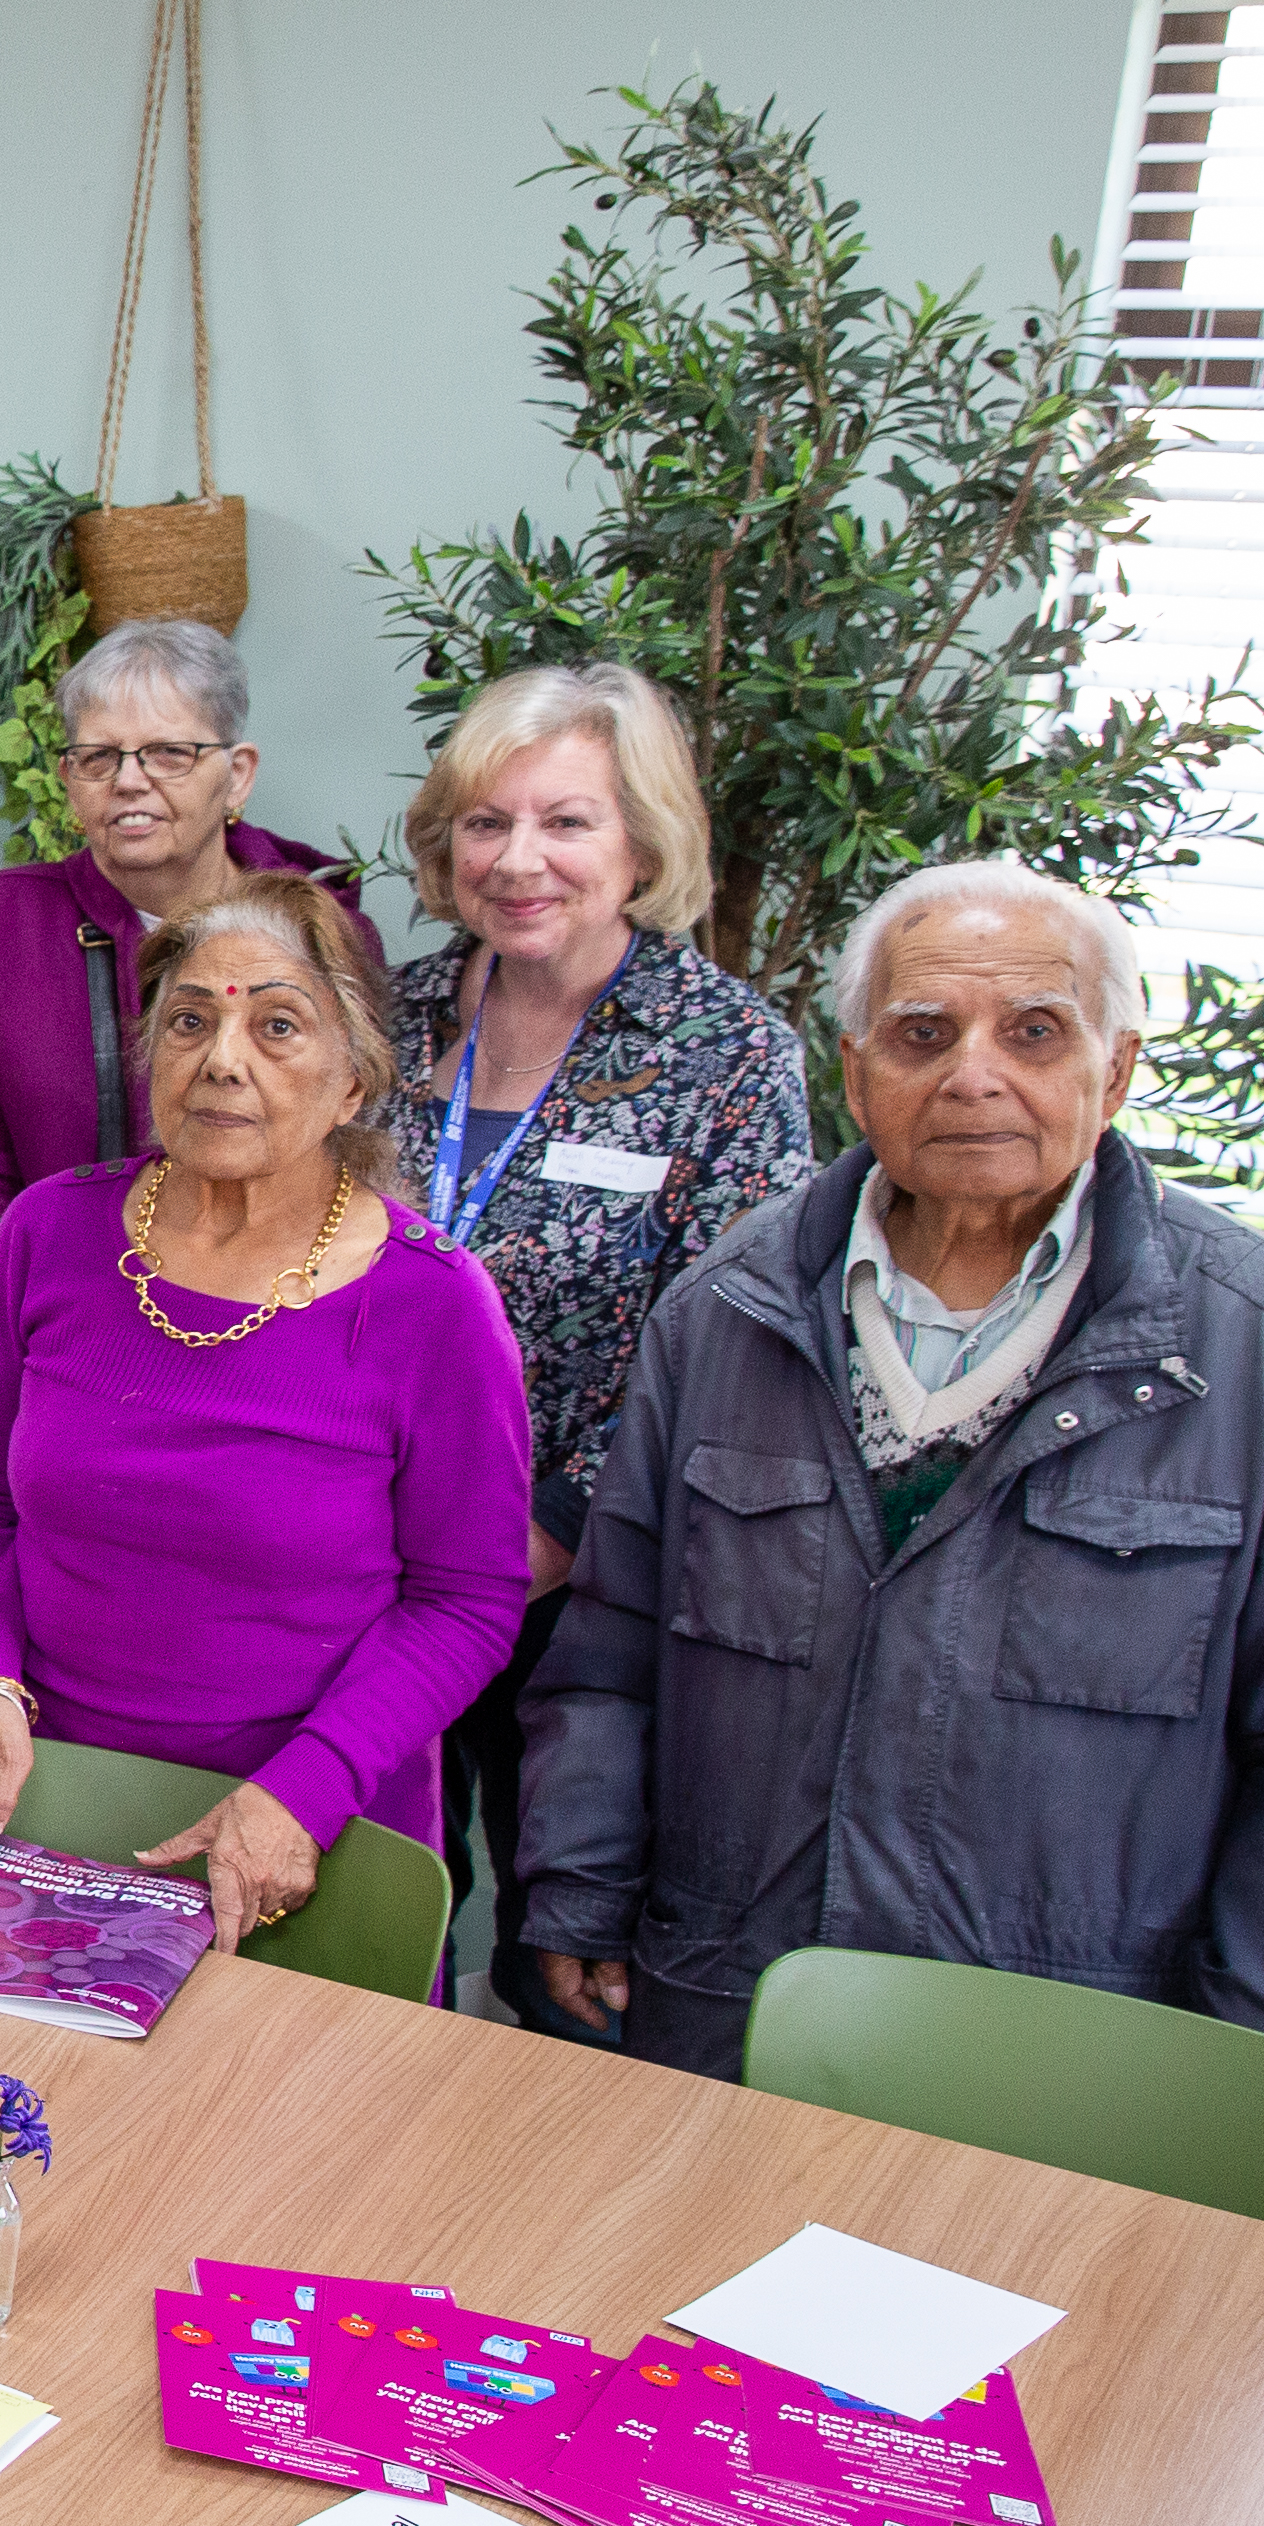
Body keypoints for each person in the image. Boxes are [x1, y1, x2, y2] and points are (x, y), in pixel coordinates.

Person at [517, 862, 1264, 2077]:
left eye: (1034, 1031)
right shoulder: (726, 1313)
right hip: (728, 2022)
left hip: (1084, 2071)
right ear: (855, 1073)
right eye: (922, 1033)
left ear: (1112, 1070)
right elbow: (609, 1659)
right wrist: (582, 1888)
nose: (973, 1072)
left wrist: (1256, 2073)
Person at [0, 879, 531, 1946]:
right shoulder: (48, 1234)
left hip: (304, 1835)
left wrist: (308, 1790)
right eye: (191, 1020)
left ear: (352, 1081)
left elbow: (467, 1599)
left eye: (277, 1024)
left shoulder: (435, 1306)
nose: (223, 1058)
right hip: (44, 1799)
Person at [372, 665, 813, 2032]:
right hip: (362, 1561)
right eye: (486, 823)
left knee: (572, 1968)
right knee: (374, 1920)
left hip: (592, 1597)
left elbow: (728, 1349)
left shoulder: (728, 1056)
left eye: (566, 824)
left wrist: (540, 1541)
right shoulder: (389, 1015)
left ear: (642, 842)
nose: (519, 862)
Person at [0, 617, 377, 1254]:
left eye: (170, 753)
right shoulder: (4, 920)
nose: (129, 781)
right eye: (99, 757)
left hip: (271, 1304)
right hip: (50, 1308)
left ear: (238, 774)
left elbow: (352, 1155)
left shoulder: (322, 928)